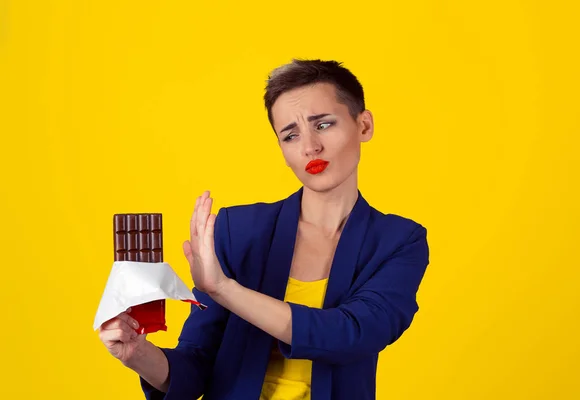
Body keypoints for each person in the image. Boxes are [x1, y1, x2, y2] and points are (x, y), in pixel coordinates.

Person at [98, 59, 430, 400]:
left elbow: (352, 334)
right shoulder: (237, 232)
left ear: (364, 125)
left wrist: (224, 290)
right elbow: (196, 366)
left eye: (324, 124)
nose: (309, 147)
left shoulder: (398, 242)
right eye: (291, 135)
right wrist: (137, 354)